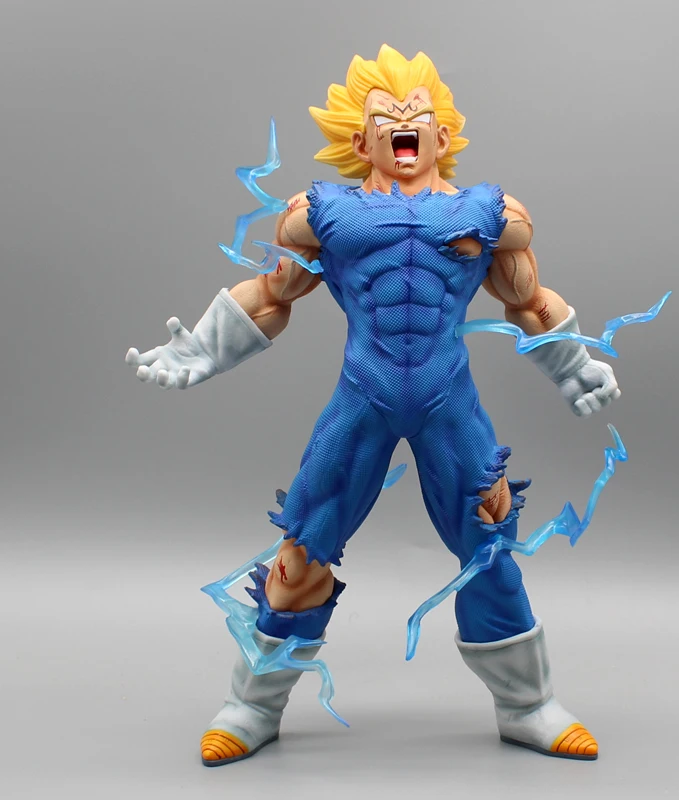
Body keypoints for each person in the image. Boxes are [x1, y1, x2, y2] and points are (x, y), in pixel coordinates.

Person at [126, 44, 619, 766]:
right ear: (362, 142)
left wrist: (575, 367)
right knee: (302, 549)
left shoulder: (488, 214)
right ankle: (252, 705)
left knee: (489, 546)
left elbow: (528, 301)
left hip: (450, 402)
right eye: (388, 115)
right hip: (362, 399)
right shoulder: (324, 214)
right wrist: (203, 349)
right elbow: (273, 293)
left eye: (419, 112)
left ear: (443, 135)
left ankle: (528, 705)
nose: (405, 121)